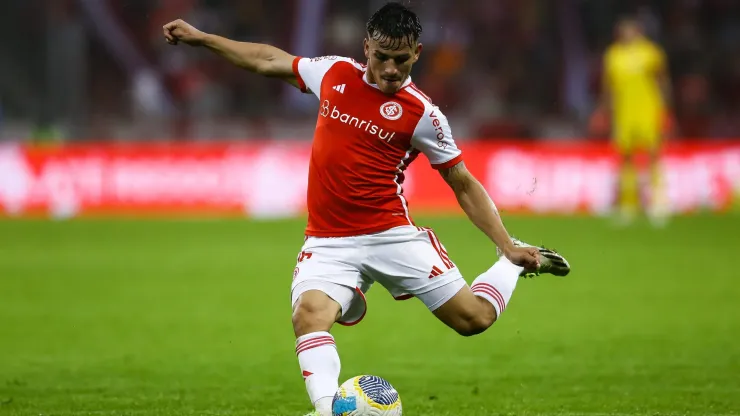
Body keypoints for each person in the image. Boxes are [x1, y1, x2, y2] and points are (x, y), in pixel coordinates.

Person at [163, 3, 571, 415]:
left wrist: (504, 245)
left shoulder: (424, 115)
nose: (391, 69)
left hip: (390, 235)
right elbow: (270, 60)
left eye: (400, 59)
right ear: (366, 49)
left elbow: (462, 181)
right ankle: (327, 411)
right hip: (327, 240)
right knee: (309, 316)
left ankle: (512, 261)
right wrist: (203, 39)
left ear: (417, 53)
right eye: (381, 58)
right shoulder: (334, 73)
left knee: (474, 320)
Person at [600, 17, 673, 226]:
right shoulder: (613, 55)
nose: (627, 34)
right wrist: (605, 111)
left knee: (652, 155)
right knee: (626, 157)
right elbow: (608, 87)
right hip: (624, 113)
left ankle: (658, 204)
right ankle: (628, 205)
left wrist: (666, 110)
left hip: (649, 110)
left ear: (639, 31)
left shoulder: (651, 53)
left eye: (630, 30)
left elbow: (662, 81)